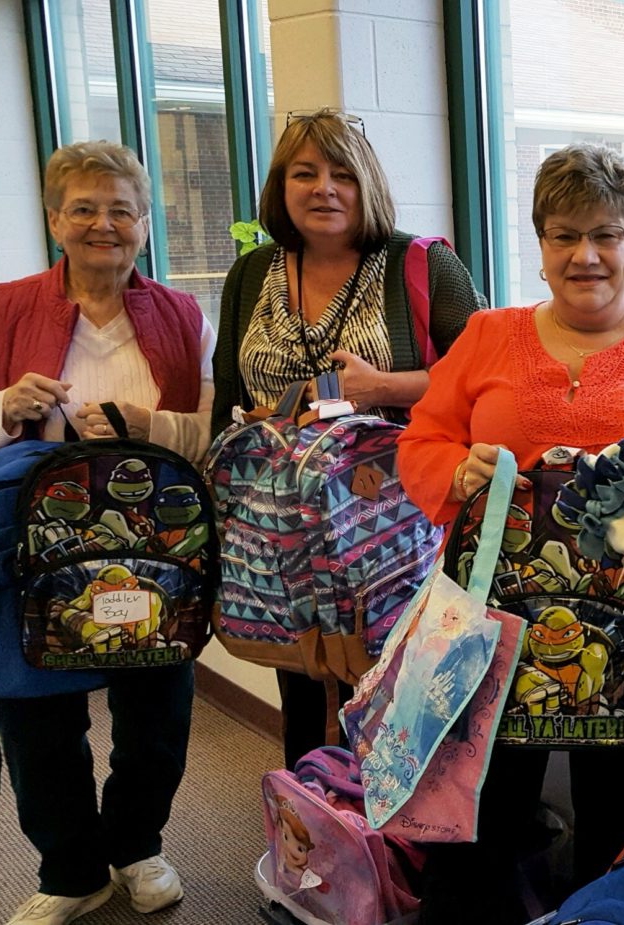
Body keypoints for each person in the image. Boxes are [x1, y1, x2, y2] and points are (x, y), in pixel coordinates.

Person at [397, 142, 624, 924]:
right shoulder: (489, 334)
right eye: (564, 234)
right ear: (540, 245)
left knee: (613, 817)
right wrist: (458, 469)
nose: (586, 254)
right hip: (488, 629)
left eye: (607, 233)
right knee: (479, 813)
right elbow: (420, 441)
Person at [0, 140, 216, 925]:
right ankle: (71, 869)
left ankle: (137, 847)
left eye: (122, 209)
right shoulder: (3, 308)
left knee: (158, 711)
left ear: (145, 224)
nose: (103, 224)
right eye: (84, 207)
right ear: (56, 219)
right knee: (37, 721)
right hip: (32, 554)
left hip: (150, 552)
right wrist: (4, 407)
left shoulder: (184, 315)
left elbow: (205, 437)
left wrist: (146, 425)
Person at [211, 108, 486, 769]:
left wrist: (384, 388)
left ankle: (405, 838)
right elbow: (224, 395)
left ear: (368, 186)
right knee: (300, 679)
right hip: (279, 530)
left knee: (399, 687)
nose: (323, 188)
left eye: (342, 174)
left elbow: (483, 381)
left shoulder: (419, 265)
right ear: (281, 187)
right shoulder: (251, 274)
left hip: (394, 529)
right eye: (304, 173)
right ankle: (313, 820)